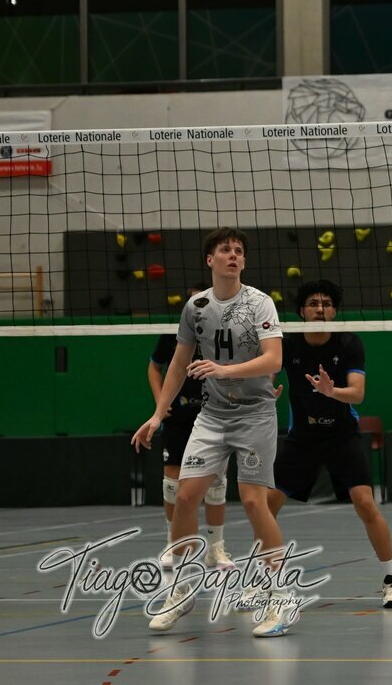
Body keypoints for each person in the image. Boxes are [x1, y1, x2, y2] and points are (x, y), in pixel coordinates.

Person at [132, 227, 296, 638]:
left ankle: (281, 597)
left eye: (239, 250)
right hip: (213, 415)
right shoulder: (196, 307)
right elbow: (177, 363)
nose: (233, 255)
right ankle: (181, 590)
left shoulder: (260, 302)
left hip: (255, 413)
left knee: (254, 501)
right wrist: (157, 414)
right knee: (185, 496)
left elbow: (273, 360)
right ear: (210, 260)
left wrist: (223, 370)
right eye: (225, 250)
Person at [261, 279, 392, 609]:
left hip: (342, 436)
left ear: (335, 311)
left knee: (365, 503)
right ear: (301, 311)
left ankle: (391, 580)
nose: (320, 309)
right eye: (313, 303)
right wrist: (265, 390)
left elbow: (358, 393)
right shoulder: (288, 343)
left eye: (326, 304)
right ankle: (263, 581)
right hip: (302, 438)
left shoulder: (349, 342)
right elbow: (268, 375)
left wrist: (331, 392)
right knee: (265, 508)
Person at [148, 282, 233, 572]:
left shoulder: (225, 331)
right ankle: (172, 545)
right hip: (179, 417)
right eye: (193, 302)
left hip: (215, 414)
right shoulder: (174, 333)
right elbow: (154, 367)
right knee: (172, 482)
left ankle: (216, 549)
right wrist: (160, 402)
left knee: (216, 482)